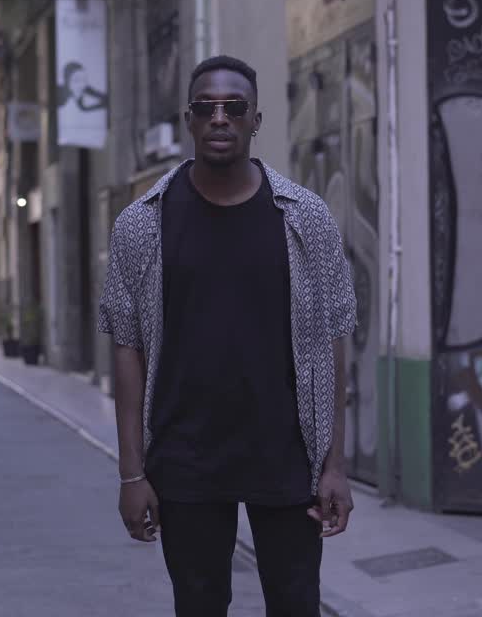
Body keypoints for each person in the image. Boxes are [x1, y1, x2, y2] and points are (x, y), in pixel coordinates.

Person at [97, 55, 357, 617]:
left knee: (295, 605)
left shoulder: (304, 218)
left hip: (288, 454)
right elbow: (127, 348)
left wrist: (335, 464)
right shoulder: (143, 224)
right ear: (189, 121)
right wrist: (131, 474)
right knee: (199, 605)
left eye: (234, 108)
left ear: (255, 120)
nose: (220, 118)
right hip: (186, 459)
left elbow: (334, 341)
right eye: (206, 108)